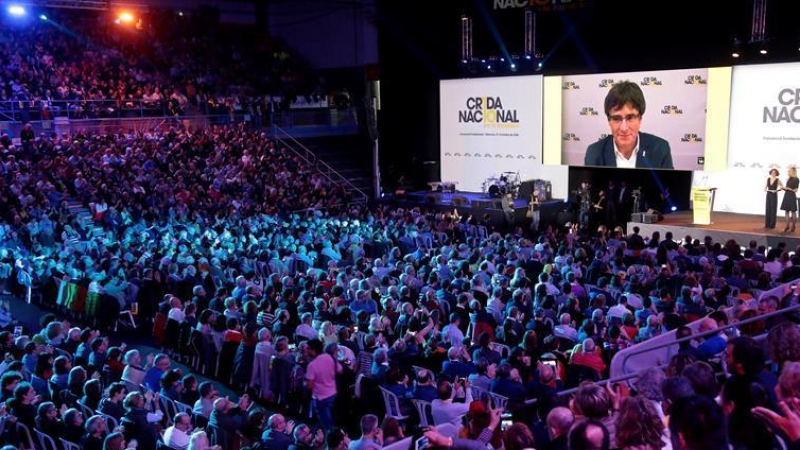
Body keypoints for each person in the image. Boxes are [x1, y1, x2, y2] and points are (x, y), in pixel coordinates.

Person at [584, 81, 673, 169]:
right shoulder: (594, 153)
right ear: (609, 121)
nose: (624, 128)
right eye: (616, 119)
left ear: (640, 119)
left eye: (630, 118)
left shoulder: (660, 149)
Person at [781, 166, 799, 233]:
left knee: (793, 212)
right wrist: (783, 188)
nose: (788, 172)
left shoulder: (796, 179)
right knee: (786, 211)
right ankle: (787, 226)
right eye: (788, 170)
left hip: (791, 196)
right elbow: (787, 188)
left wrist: (789, 189)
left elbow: (796, 190)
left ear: (793, 171)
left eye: (790, 170)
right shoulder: (788, 178)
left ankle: (793, 226)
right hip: (786, 195)